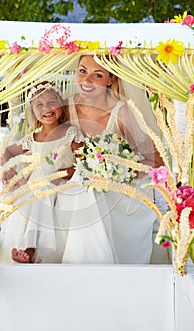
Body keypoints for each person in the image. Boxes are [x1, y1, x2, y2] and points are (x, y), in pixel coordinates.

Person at [54, 55, 164, 264]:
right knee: (83, 188)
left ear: (111, 79)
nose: (87, 81)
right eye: (83, 71)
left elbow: (156, 161)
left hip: (119, 186)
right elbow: (45, 144)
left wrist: (115, 168)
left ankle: (86, 266)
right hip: (71, 182)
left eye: (98, 75)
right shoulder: (65, 108)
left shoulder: (122, 112)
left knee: (89, 191)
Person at [0, 81, 83, 263]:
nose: (46, 108)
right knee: (35, 192)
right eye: (39, 105)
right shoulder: (33, 138)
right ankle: (28, 246)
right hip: (39, 186)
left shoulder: (70, 132)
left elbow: (84, 160)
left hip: (63, 183)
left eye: (52, 102)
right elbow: (6, 151)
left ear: (61, 104)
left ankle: (30, 249)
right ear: (33, 111)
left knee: (42, 190)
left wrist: (65, 172)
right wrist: (7, 169)